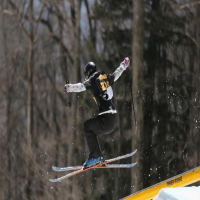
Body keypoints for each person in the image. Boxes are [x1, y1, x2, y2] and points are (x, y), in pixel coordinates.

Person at [64, 57, 130, 169]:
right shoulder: (104, 77)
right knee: (91, 128)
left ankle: (96, 157)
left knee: (87, 127)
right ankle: (98, 156)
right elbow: (116, 74)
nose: (86, 77)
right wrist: (124, 65)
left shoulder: (92, 80)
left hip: (105, 119)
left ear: (89, 72)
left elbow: (80, 87)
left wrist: (68, 88)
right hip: (112, 119)